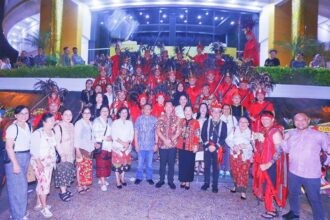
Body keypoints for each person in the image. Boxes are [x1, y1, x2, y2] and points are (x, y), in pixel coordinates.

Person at [282, 113, 329, 220]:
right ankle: (294, 213)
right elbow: (286, 150)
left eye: (303, 120)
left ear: (308, 121)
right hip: (294, 172)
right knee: (293, 194)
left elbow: (328, 150)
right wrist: (284, 140)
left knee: (314, 198)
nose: (300, 122)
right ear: (294, 122)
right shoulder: (291, 134)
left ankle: (319, 218)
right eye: (297, 120)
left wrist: (325, 163)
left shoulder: (319, 135)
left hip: (311, 174)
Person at [253, 111, 287, 219]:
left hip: (271, 165)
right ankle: (269, 208)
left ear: (272, 120)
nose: (264, 121)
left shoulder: (275, 132)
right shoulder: (264, 131)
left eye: (267, 119)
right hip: (263, 163)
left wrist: (269, 163)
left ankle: (271, 210)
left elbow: (279, 151)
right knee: (264, 185)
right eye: (262, 119)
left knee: (270, 187)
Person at [4, 105, 32, 220]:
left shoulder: (28, 126)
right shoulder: (12, 128)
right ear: (16, 115)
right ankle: (18, 216)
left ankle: (19, 212)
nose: (24, 116)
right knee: (18, 188)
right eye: (21, 113)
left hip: (26, 156)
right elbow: (9, 147)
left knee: (21, 187)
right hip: (15, 158)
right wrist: (15, 163)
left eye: (26, 113)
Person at [30, 113, 56, 218]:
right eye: (50, 121)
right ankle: (44, 208)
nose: (53, 122)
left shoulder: (52, 132)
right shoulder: (38, 133)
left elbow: (53, 147)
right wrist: (39, 163)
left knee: (42, 183)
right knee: (44, 185)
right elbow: (33, 150)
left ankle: (39, 203)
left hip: (49, 163)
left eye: (53, 120)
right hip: (40, 163)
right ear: (44, 122)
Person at [201, 102, 227, 193]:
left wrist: (215, 146)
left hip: (217, 149)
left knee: (216, 167)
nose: (216, 114)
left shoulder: (223, 124)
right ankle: (206, 183)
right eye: (214, 112)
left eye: (218, 112)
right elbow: (203, 135)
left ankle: (215, 185)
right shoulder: (206, 122)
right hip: (208, 148)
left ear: (221, 113)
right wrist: (208, 145)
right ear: (211, 113)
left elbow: (224, 137)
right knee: (207, 166)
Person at [226, 117, 253, 200]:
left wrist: (246, 146)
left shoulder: (251, 133)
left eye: (245, 122)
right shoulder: (234, 130)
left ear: (248, 124)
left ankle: (243, 191)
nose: (243, 124)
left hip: (245, 156)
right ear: (238, 123)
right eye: (241, 122)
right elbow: (227, 140)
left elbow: (254, 145)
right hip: (234, 155)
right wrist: (234, 146)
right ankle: (235, 186)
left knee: (243, 173)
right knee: (234, 171)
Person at [156, 101, 180, 189]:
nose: (169, 108)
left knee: (171, 164)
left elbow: (178, 132)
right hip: (162, 145)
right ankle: (161, 180)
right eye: (167, 106)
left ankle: (170, 181)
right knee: (162, 164)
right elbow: (158, 131)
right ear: (164, 108)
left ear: (173, 108)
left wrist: (170, 140)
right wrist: (164, 140)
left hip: (172, 146)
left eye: (170, 106)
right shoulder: (161, 118)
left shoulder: (177, 119)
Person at [53, 109, 75, 202]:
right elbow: (57, 142)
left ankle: (65, 189)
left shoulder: (71, 125)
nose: (68, 116)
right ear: (61, 116)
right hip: (63, 153)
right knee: (62, 173)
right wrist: (61, 154)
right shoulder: (58, 127)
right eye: (66, 114)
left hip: (71, 153)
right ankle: (62, 192)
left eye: (70, 115)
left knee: (68, 172)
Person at [134, 104, 158, 185]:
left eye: (149, 109)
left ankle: (149, 178)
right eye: (145, 109)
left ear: (151, 110)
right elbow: (136, 132)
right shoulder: (139, 119)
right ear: (143, 110)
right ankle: (138, 177)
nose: (147, 110)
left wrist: (156, 144)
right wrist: (136, 144)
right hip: (141, 146)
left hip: (150, 146)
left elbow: (156, 132)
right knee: (140, 164)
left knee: (149, 164)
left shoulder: (154, 120)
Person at [177, 105, 199, 190]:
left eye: (189, 110)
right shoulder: (181, 121)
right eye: (186, 110)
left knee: (190, 164)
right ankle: (182, 180)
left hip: (191, 146)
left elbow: (197, 134)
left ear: (192, 112)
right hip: (181, 146)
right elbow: (178, 132)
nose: (188, 112)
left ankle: (188, 181)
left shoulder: (195, 122)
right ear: (184, 112)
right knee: (182, 164)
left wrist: (196, 145)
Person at [111, 107, 134, 189]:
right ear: (119, 113)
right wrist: (122, 143)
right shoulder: (115, 123)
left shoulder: (129, 123)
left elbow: (132, 134)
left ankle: (122, 179)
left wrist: (128, 143)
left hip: (127, 147)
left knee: (124, 164)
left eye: (126, 112)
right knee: (117, 165)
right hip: (117, 147)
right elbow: (114, 135)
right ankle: (117, 180)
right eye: (123, 112)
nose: (124, 114)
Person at [74, 107, 95, 194]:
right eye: (85, 113)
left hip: (89, 149)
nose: (87, 115)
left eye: (88, 113)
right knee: (80, 168)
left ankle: (84, 184)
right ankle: (79, 185)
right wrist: (77, 150)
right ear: (82, 114)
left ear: (90, 114)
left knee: (86, 168)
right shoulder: (79, 123)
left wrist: (94, 144)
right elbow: (76, 137)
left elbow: (92, 136)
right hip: (81, 149)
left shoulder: (90, 123)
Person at [93, 106, 112, 192]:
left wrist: (111, 137)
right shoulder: (97, 121)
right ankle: (102, 183)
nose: (105, 113)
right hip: (101, 145)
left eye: (106, 111)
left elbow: (112, 131)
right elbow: (94, 133)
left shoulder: (110, 120)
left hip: (109, 145)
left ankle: (102, 179)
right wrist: (104, 138)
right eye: (103, 111)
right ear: (100, 112)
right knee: (101, 164)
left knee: (106, 163)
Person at [219, 104, 238, 177]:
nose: (226, 110)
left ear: (230, 110)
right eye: (224, 108)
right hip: (221, 139)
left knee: (228, 153)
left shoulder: (233, 118)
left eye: (228, 109)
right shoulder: (220, 117)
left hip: (230, 139)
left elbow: (236, 128)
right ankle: (221, 169)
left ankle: (227, 170)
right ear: (222, 110)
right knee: (221, 153)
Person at [194, 103, 209, 175]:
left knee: (204, 153)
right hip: (197, 138)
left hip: (206, 140)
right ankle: (196, 167)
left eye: (204, 108)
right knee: (196, 152)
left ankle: (203, 167)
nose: (203, 109)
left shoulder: (209, 119)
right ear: (199, 109)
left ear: (207, 110)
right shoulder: (195, 117)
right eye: (201, 107)